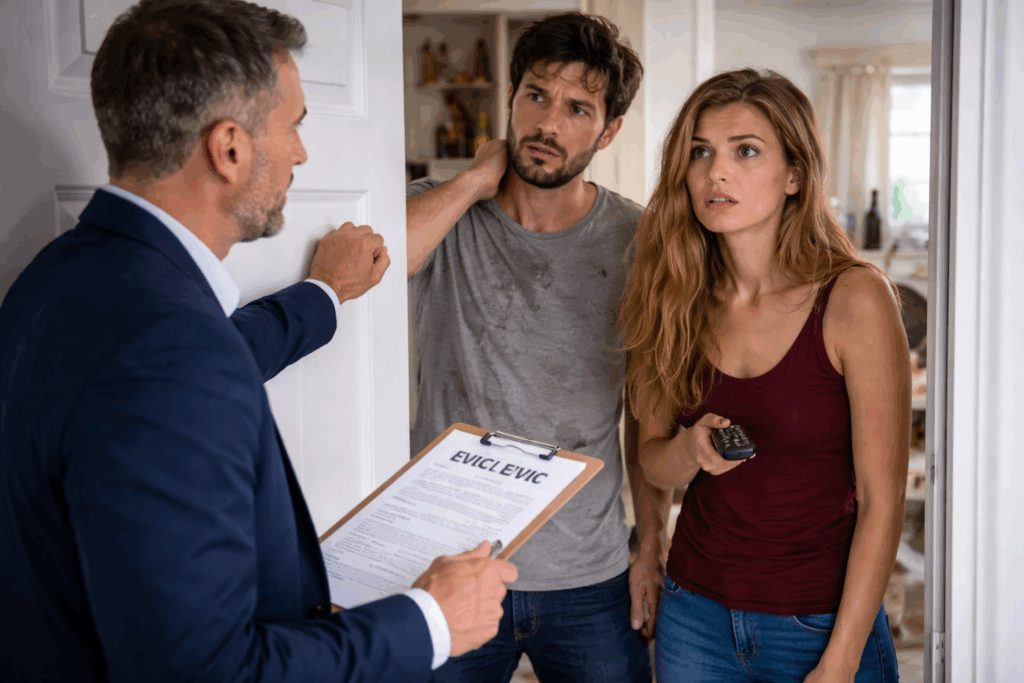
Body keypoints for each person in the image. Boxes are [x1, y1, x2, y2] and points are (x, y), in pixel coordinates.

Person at [0, 1, 516, 681]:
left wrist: (323, 296)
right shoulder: (169, 355)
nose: (303, 152)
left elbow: (196, 362)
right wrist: (429, 620)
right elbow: (206, 672)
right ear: (231, 148)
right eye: (294, 126)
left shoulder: (61, 276)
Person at [621, 68, 909, 683]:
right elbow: (651, 464)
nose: (715, 172)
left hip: (819, 621)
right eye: (700, 153)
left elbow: (883, 500)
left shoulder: (855, 299)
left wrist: (841, 660)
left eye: (745, 151)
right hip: (694, 617)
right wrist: (689, 449)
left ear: (795, 175)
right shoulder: (669, 292)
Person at [407, 12, 667, 683]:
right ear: (511, 98)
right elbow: (374, 263)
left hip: (590, 569)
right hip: (451, 562)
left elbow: (643, 406)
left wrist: (651, 543)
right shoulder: (443, 212)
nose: (548, 124)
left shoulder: (638, 240)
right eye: (536, 96)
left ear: (609, 130)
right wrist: (469, 182)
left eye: (578, 108)